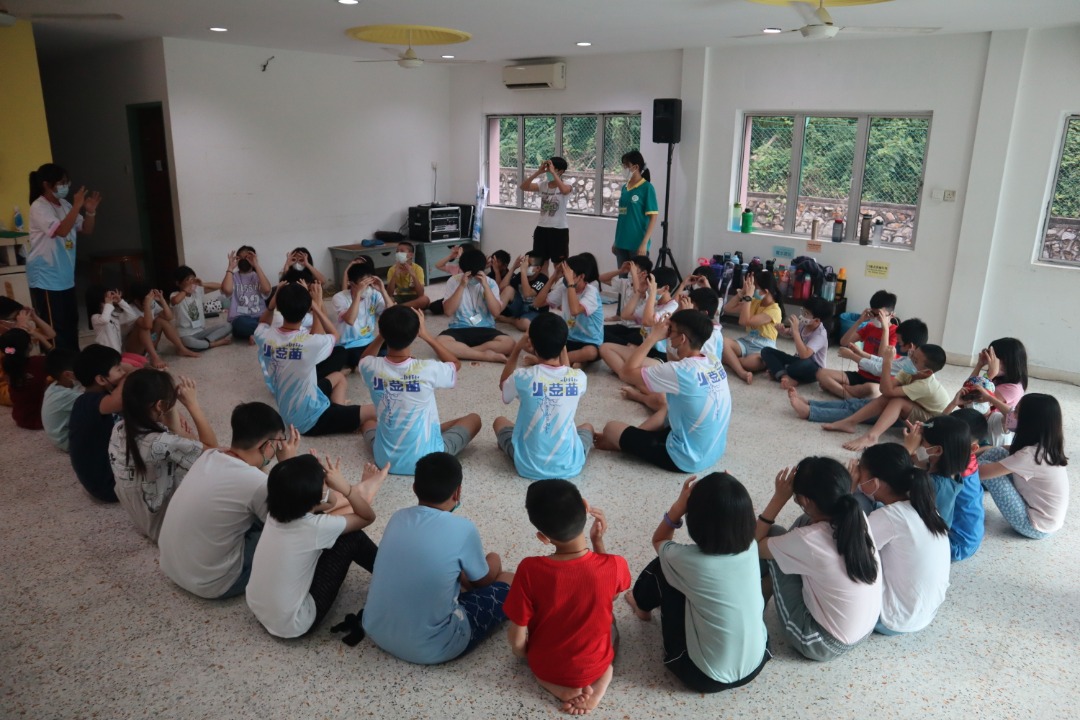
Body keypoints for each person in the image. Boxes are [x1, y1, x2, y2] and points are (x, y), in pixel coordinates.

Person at [363, 452, 514, 664]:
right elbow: (484, 582)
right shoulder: (464, 529)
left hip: (375, 629)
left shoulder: (398, 517)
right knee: (509, 579)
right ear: (458, 492)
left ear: (414, 488)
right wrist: (494, 558)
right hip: (434, 647)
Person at [627, 474, 770, 693]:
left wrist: (677, 507)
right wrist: (729, 494)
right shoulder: (751, 545)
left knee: (662, 565)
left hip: (703, 676)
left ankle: (642, 606)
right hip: (757, 662)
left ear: (696, 522)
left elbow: (659, 540)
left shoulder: (687, 560)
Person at [505, 480, 629, 715]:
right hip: (595, 664)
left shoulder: (529, 569)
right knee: (612, 631)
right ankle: (598, 688)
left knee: (537, 668)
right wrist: (598, 542)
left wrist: (524, 654)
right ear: (586, 507)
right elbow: (611, 596)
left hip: (546, 666)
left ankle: (558, 688)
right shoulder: (615, 564)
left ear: (543, 537)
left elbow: (517, 635)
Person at [158, 403, 300, 599]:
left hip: (172, 568)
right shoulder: (256, 484)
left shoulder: (210, 455)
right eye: (278, 442)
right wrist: (289, 465)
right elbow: (292, 521)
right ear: (267, 445)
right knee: (292, 530)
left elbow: (252, 476)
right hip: (215, 583)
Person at [247, 454, 386, 638]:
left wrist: (321, 489)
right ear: (316, 496)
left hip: (259, 607)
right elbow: (368, 517)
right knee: (352, 537)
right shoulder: (314, 527)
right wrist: (346, 489)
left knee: (330, 525)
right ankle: (389, 575)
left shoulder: (276, 512)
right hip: (294, 623)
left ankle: (363, 491)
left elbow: (326, 506)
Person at [756, 458, 881, 661]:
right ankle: (778, 566)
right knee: (798, 527)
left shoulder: (808, 540)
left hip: (820, 642)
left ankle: (754, 603)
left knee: (774, 535)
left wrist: (779, 498)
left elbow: (754, 545)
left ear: (805, 501)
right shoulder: (857, 517)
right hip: (863, 631)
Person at [597, 310, 732, 473]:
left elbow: (626, 373)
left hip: (685, 458)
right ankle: (633, 438)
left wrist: (652, 337)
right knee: (666, 409)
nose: (667, 335)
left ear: (682, 338)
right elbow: (674, 363)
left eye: (670, 331)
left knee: (610, 429)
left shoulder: (680, 372)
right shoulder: (713, 360)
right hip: (713, 450)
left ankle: (626, 443)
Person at [358, 306, 479, 475]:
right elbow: (455, 364)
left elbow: (364, 359)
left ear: (382, 331)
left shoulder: (370, 367)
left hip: (384, 461)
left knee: (368, 423)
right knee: (474, 419)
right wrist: (427, 335)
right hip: (428, 460)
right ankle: (424, 432)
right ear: (416, 334)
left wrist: (382, 335)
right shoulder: (427, 368)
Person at [850, 444, 950, 635]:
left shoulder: (889, 517)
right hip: (924, 614)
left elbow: (844, 548)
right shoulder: (924, 506)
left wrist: (849, 490)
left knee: (855, 504)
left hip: (891, 619)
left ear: (875, 482)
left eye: (860, 472)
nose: (857, 475)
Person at [109, 370, 216, 542]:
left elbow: (179, 438)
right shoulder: (161, 443)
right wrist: (192, 404)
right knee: (221, 470)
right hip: (167, 529)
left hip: (144, 519)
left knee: (186, 450)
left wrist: (167, 403)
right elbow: (213, 452)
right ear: (160, 406)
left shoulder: (119, 428)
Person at [254, 282, 370, 437]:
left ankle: (338, 410)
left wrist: (271, 305)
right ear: (306, 311)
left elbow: (263, 322)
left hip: (290, 412)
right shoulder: (308, 343)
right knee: (372, 412)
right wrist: (317, 303)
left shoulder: (264, 336)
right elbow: (335, 335)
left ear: (278, 308)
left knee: (339, 377)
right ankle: (340, 415)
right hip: (310, 421)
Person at [493, 314, 593, 481]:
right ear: (563, 344)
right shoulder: (579, 378)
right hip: (569, 466)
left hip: (527, 466)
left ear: (531, 344)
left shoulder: (522, 377)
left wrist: (517, 348)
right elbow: (567, 373)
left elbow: (504, 385)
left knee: (499, 421)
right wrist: (562, 346)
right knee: (587, 427)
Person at [787, 318, 926, 424]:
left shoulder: (912, 367)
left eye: (900, 344)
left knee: (855, 408)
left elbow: (880, 369)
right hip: (884, 395)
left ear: (911, 346)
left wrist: (854, 356)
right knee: (853, 404)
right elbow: (881, 361)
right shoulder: (909, 360)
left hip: (891, 402)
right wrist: (861, 353)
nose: (898, 346)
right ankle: (811, 404)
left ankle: (810, 412)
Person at [26, 163, 102, 352]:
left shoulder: (66, 205)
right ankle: (56, 365)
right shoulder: (39, 207)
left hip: (65, 276)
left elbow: (86, 229)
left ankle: (73, 360)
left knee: (70, 321)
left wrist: (90, 211)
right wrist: (77, 206)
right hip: (46, 277)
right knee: (54, 326)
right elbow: (61, 231)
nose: (66, 186)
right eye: (61, 182)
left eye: (67, 182)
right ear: (46, 184)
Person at [825, 339, 950, 452]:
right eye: (912, 356)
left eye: (915, 361)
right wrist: (887, 364)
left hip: (933, 423)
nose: (910, 361)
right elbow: (886, 390)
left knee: (898, 401)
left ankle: (872, 436)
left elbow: (887, 390)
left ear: (927, 372)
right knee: (889, 397)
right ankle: (850, 422)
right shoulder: (911, 370)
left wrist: (887, 363)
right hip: (921, 408)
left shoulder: (925, 385)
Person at [976, 394, 1069, 540]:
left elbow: (980, 472)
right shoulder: (1045, 446)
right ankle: (970, 486)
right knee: (997, 452)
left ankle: (962, 490)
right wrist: (983, 449)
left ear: (1029, 422)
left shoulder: (1030, 456)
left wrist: (955, 459)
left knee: (983, 469)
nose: (1011, 414)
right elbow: (1005, 449)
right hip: (1045, 519)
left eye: (1016, 412)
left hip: (1034, 526)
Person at [905, 414, 984, 561]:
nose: (920, 443)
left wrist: (907, 449)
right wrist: (928, 432)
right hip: (969, 537)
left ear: (937, 450)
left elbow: (891, 485)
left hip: (954, 545)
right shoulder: (960, 459)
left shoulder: (935, 485)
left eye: (923, 441)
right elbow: (926, 463)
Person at [69, 344, 128, 502]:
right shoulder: (87, 402)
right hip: (107, 485)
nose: (123, 372)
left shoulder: (102, 395)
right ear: (101, 379)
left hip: (110, 470)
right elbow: (118, 401)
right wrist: (129, 377)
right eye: (118, 369)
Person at [436, 247, 515, 363]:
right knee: (439, 342)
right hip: (459, 328)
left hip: (486, 328)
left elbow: (496, 312)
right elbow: (448, 311)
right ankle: (484, 355)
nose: (472, 277)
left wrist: (486, 286)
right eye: (469, 274)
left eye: (475, 273)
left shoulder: (491, 283)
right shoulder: (454, 281)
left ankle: (464, 352)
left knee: (509, 344)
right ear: (462, 269)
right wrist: (461, 286)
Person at [815, 290, 899, 399]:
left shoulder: (896, 333)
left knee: (871, 390)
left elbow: (882, 358)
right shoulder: (870, 327)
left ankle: (841, 389)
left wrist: (885, 329)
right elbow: (844, 342)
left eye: (880, 315)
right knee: (821, 374)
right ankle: (850, 397)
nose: (876, 318)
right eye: (873, 314)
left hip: (879, 380)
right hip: (861, 374)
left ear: (891, 315)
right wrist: (860, 321)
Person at [598, 266, 680, 372]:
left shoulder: (673, 306)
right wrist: (639, 292)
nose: (649, 290)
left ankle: (627, 371)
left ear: (666, 288)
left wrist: (652, 293)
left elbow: (647, 321)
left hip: (658, 354)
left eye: (652, 287)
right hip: (643, 346)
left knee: (627, 365)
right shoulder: (654, 302)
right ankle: (627, 364)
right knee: (604, 343)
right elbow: (625, 315)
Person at [532, 253, 606, 366]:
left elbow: (575, 310)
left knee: (590, 352)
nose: (565, 278)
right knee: (531, 343)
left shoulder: (591, 292)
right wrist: (553, 277)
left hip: (589, 342)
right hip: (569, 338)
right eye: (564, 274)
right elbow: (538, 303)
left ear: (581, 276)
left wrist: (571, 284)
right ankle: (574, 361)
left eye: (569, 274)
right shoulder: (564, 288)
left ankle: (549, 361)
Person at [721, 269, 785, 384]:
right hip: (747, 341)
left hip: (764, 347)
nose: (753, 290)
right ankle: (741, 372)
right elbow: (727, 309)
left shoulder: (775, 310)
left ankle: (731, 360)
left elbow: (744, 321)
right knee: (723, 342)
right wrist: (742, 293)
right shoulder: (754, 301)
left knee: (748, 363)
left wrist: (748, 297)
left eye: (755, 287)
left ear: (765, 291)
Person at [332, 258, 393, 371]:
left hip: (369, 340)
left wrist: (383, 291)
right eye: (363, 284)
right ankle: (371, 361)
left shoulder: (374, 294)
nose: (367, 287)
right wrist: (358, 294)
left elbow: (392, 315)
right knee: (352, 357)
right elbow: (350, 320)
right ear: (351, 283)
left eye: (368, 283)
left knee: (393, 340)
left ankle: (372, 361)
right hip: (349, 345)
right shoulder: (339, 297)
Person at [761, 297, 832, 387]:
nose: (802, 315)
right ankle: (785, 376)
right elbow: (790, 332)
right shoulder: (804, 324)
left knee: (801, 365)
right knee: (766, 351)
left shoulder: (820, 335)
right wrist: (783, 331)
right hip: (797, 360)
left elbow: (804, 355)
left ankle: (780, 371)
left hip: (813, 368)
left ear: (817, 320)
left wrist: (795, 331)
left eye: (806, 313)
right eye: (803, 311)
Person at [124, 284, 198, 365]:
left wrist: (162, 300)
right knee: (143, 326)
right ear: (137, 301)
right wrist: (147, 305)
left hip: (149, 343)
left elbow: (169, 317)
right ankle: (155, 358)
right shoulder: (129, 309)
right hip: (134, 349)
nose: (151, 302)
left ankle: (181, 349)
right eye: (148, 299)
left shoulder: (151, 303)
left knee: (161, 321)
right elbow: (147, 325)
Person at [612, 150, 658, 266]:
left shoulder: (647, 188)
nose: (624, 168)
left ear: (636, 167)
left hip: (637, 244)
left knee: (638, 276)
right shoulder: (624, 188)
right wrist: (616, 241)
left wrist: (644, 243)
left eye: (626, 165)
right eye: (623, 165)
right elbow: (622, 216)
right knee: (622, 276)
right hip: (621, 243)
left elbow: (653, 217)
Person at [522, 157, 572, 264]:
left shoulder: (567, 184)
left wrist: (553, 173)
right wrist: (538, 172)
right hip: (541, 228)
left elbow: (564, 191)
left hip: (559, 229)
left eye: (552, 168)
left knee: (559, 264)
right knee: (540, 263)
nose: (549, 171)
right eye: (548, 168)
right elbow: (523, 187)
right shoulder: (543, 184)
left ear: (561, 171)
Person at [170, 265, 232, 352]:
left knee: (228, 326)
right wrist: (185, 290)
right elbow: (175, 301)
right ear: (178, 283)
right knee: (189, 342)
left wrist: (202, 284)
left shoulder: (197, 291)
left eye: (193, 279)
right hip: (186, 334)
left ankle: (205, 343)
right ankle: (211, 344)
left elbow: (221, 286)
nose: (191, 282)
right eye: (187, 280)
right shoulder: (175, 295)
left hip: (201, 331)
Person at [86, 285, 148, 368]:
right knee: (137, 366)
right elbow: (105, 319)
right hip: (108, 358)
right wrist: (108, 304)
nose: (111, 298)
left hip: (118, 355)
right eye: (108, 296)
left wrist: (120, 301)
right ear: (99, 300)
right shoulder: (95, 318)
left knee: (144, 360)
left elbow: (132, 316)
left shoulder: (114, 315)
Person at [1, 327, 49, 429]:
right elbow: (60, 359)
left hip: (20, 416)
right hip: (42, 418)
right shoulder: (39, 362)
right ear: (29, 345)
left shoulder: (7, 365)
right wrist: (42, 338)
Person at [221, 246, 272, 341]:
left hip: (260, 317)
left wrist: (256, 265)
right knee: (240, 324)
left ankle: (257, 334)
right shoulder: (233, 276)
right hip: (240, 318)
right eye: (240, 257)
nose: (244, 260)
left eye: (247, 257)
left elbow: (267, 290)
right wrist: (230, 267)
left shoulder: (258, 276)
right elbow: (227, 290)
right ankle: (265, 333)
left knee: (277, 318)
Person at [41, 348, 81, 452]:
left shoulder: (54, 386)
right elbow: (97, 402)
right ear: (68, 374)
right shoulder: (64, 395)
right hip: (68, 441)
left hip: (60, 436)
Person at [497, 252, 550, 332]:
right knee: (508, 289)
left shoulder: (543, 279)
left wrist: (523, 272)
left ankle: (511, 320)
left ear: (538, 268)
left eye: (529, 264)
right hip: (521, 306)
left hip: (535, 311)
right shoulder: (520, 275)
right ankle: (494, 314)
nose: (524, 266)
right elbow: (501, 288)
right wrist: (513, 268)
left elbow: (527, 294)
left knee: (526, 324)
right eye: (524, 263)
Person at [385, 241, 430, 310]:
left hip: (414, 297)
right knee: (387, 300)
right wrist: (394, 276)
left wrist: (413, 275)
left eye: (402, 251)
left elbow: (421, 293)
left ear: (411, 255)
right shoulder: (392, 269)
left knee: (425, 300)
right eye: (397, 251)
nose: (398, 253)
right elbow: (389, 294)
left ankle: (397, 308)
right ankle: (405, 308)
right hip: (399, 297)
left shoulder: (418, 269)